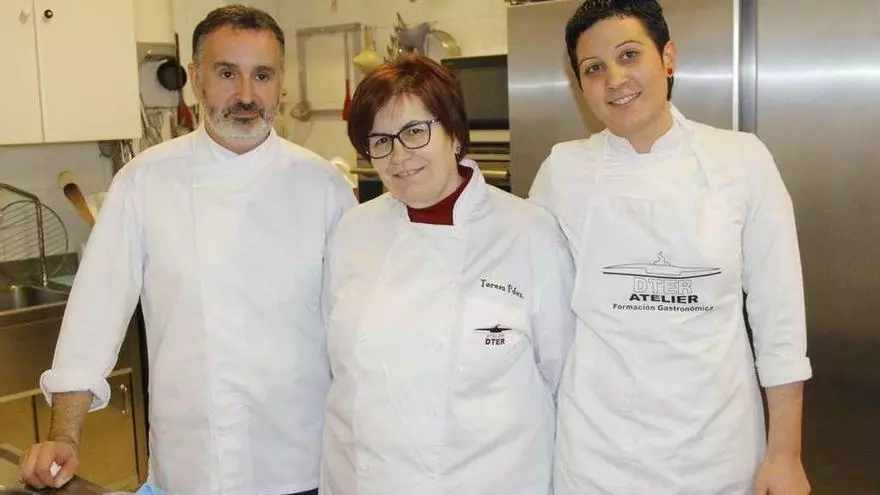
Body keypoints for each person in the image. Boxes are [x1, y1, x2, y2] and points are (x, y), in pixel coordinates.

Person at [19, 5, 355, 495]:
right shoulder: (145, 181)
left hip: (301, 462)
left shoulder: (325, 187)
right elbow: (94, 312)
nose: (246, 95)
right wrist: (64, 434)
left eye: (262, 75)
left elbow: (355, 330)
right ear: (196, 78)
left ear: (281, 82)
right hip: (192, 465)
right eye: (227, 73)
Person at [529, 1, 813, 494]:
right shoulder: (562, 172)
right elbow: (537, 310)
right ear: (580, 85)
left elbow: (779, 318)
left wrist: (785, 454)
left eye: (629, 55)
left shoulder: (741, 160)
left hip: (718, 455)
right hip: (596, 457)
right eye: (593, 68)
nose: (614, 79)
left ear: (668, 59)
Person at [320, 54, 575, 495]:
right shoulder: (353, 231)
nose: (399, 156)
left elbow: (564, 380)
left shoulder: (528, 232)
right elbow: (337, 373)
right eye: (380, 140)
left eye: (415, 131)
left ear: (454, 134)